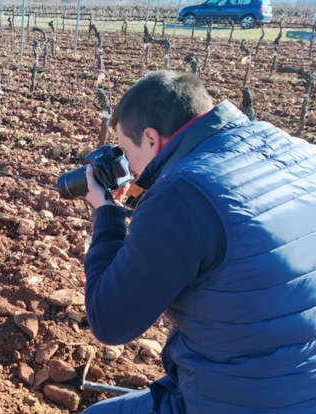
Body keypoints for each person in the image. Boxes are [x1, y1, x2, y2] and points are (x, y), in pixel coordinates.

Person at [82, 70, 316, 413]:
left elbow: (110, 320)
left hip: (245, 400)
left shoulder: (181, 196)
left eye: (125, 151)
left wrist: (107, 212)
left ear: (150, 138)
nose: (127, 167)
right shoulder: (297, 148)